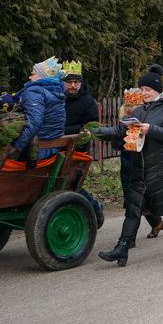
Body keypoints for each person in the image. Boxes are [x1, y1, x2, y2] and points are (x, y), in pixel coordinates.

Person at [96, 65, 163, 266]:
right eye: (142, 89)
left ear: (157, 90)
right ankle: (122, 248)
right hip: (141, 169)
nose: (144, 93)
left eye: (147, 90)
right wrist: (95, 132)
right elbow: (119, 131)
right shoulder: (139, 110)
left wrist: (151, 129)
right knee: (133, 207)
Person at [114, 88, 163, 246]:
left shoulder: (146, 121)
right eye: (127, 105)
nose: (129, 108)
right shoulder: (124, 121)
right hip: (127, 163)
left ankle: (130, 238)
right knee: (132, 199)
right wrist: (123, 138)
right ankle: (157, 223)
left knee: (138, 199)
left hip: (142, 163)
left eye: (133, 105)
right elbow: (116, 144)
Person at [61, 60, 104, 229]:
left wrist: (63, 131)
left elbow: (91, 126)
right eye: (69, 82)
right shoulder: (58, 99)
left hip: (77, 150)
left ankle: (94, 208)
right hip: (57, 147)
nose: (73, 86)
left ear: (81, 83)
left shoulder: (87, 102)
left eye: (76, 82)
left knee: (73, 183)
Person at [13, 57, 65, 162]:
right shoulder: (56, 93)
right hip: (51, 148)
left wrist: (15, 148)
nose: (29, 77)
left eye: (33, 74)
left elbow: (34, 123)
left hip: (34, 152)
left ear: (42, 77)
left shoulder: (35, 92)